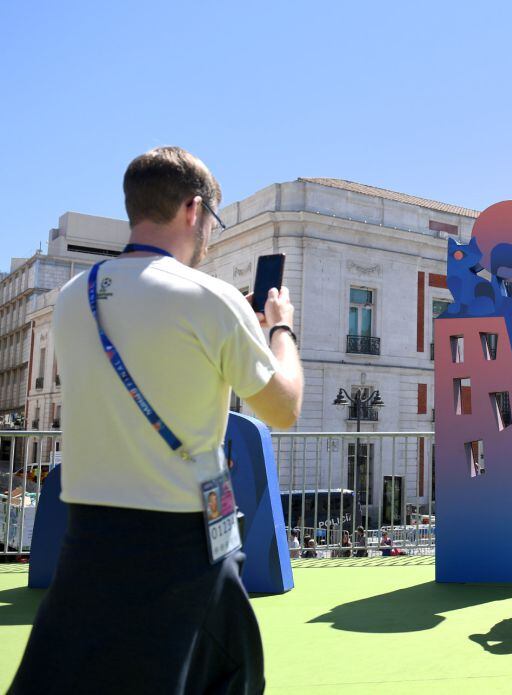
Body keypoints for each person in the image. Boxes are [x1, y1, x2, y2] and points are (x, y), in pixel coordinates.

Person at [11, 146, 304, 694]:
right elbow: (282, 408)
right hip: (185, 540)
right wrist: (277, 328)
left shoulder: (76, 297)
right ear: (194, 210)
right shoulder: (212, 301)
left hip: (90, 536)